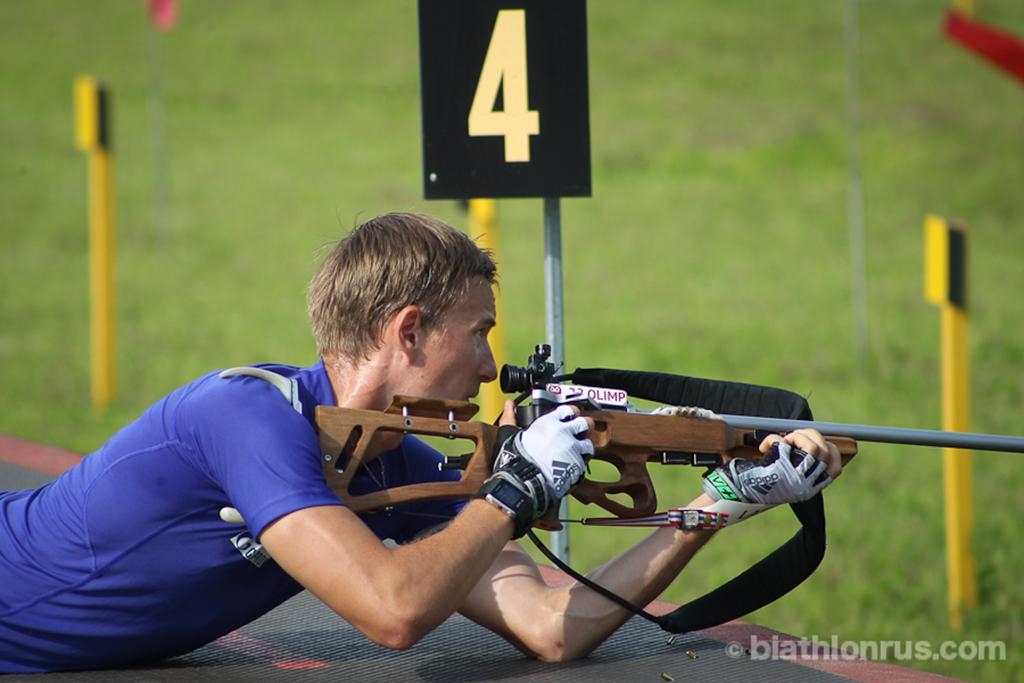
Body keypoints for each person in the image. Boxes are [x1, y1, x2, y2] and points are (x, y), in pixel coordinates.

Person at [0, 212, 843, 673]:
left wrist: (717, 505)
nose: (489, 363)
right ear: (408, 329)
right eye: (477, 333)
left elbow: (555, 627)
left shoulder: (393, 465)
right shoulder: (246, 415)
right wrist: (510, 496)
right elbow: (395, 612)